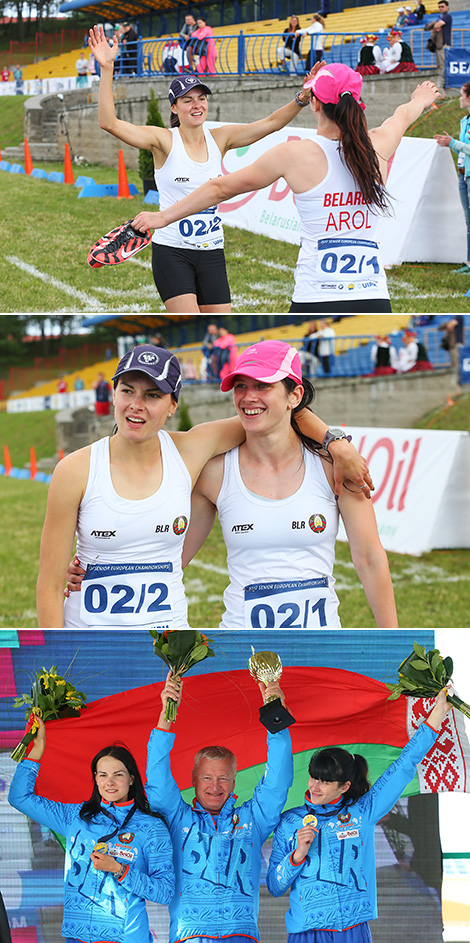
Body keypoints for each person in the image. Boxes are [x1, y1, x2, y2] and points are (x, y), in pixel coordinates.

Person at [48, 343, 371, 628]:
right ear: (113, 393)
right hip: (88, 634)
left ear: (173, 405)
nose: (136, 404)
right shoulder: (75, 469)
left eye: (153, 395)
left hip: (169, 642)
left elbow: (282, 412)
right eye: (127, 391)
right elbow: (47, 585)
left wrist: (336, 443)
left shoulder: (191, 449)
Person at [139, 64, 441, 314]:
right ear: (358, 103)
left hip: (316, 296)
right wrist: (421, 98)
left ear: (315, 103)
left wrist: (161, 218)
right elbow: (403, 114)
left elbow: (219, 189)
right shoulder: (380, 143)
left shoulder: (294, 154)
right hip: (374, 296)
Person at [89, 25, 317, 315]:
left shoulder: (220, 138)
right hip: (172, 251)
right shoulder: (163, 140)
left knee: (221, 324)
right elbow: (110, 123)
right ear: (174, 108)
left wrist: (301, 98)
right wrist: (107, 68)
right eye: (187, 100)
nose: (197, 105)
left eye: (201, 98)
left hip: (211, 251)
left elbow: (270, 123)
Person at [181, 340, 398, 628]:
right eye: (241, 386)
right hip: (241, 647)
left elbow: (370, 560)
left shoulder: (333, 466)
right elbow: (173, 560)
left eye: (262, 386)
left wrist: (393, 639)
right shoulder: (214, 473)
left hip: (321, 646)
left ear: (294, 395)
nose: (247, 397)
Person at [265, 689, 451, 941]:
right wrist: (297, 855)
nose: (314, 786)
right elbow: (276, 887)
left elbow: (404, 765)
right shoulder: (290, 821)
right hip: (307, 933)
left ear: (344, 787)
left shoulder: (362, 812)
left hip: (352, 931)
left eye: (325, 782)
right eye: (314, 777)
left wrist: (438, 712)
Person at [145, 670, 293, 943]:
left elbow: (278, 782)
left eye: (223, 778)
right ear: (193, 781)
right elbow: (157, 779)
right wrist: (167, 711)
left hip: (242, 935)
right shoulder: (177, 819)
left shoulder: (252, 819)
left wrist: (276, 716)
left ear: (234, 782)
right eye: (207, 778)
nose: (215, 786)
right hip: (189, 937)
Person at [9, 716, 175, 943]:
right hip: (79, 937)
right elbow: (19, 797)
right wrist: (36, 751)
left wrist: (119, 870)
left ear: (131, 778)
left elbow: (164, 892)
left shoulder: (152, 827)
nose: (110, 782)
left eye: (118, 774)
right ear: (95, 779)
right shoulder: (75, 817)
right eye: (103, 775)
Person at [435, 84, 470, 275]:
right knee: (469, 221)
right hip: (463, 175)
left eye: (462, 95)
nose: (459, 98)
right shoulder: (464, 121)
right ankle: (469, 262)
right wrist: (449, 144)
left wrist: (454, 143)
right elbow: (463, 149)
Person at [433, 0, 452, 85]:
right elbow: (434, 27)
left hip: (444, 43)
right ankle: (441, 82)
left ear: (447, 7)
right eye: (439, 7)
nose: (441, 8)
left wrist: (436, 26)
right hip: (439, 44)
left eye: (442, 6)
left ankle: (445, 83)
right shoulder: (440, 17)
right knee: (439, 65)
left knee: (443, 64)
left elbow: (436, 26)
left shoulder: (447, 16)